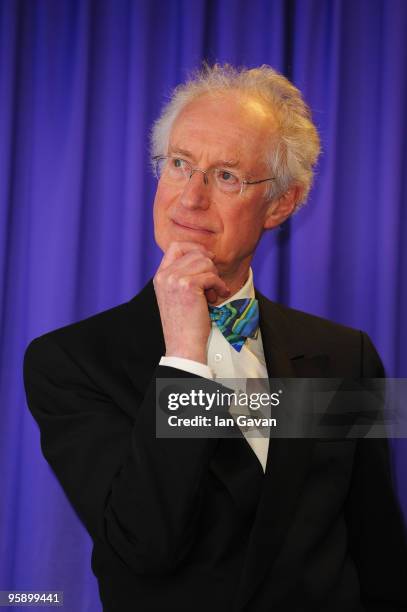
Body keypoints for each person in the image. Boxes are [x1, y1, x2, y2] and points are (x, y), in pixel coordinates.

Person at [23, 64, 407, 611]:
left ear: (281, 203)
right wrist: (183, 358)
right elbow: (146, 544)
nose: (191, 198)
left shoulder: (346, 354)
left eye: (226, 175)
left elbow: (378, 547)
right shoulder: (71, 362)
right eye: (180, 165)